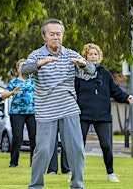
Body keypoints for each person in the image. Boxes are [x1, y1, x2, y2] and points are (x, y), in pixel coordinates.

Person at [21, 19, 95, 189]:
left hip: (69, 108)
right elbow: (25, 71)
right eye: (52, 34)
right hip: (46, 110)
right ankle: (36, 185)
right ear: (44, 37)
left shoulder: (70, 54)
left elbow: (91, 71)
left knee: (76, 149)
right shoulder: (36, 55)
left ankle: (77, 185)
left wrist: (84, 64)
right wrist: (40, 64)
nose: (56, 37)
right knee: (43, 151)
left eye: (58, 34)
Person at [75, 43, 133, 183]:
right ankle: (76, 174)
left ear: (99, 56)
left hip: (103, 115)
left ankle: (111, 173)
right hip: (83, 113)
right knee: (78, 145)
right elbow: (73, 92)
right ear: (85, 57)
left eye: (96, 54)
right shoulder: (79, 73)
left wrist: (126, 98)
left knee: (107, 145)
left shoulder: (106, 74)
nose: (94, 56)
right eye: (90, 54)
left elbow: (115, 91)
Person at [1, 59, 36, 168]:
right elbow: (3, 95)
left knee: (34, 137)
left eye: (26, 66)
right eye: (21, 66)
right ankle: (13, 162)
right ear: (18, 69)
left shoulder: (33, 81)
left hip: (32, 112)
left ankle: (34, 162)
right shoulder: (13, 82)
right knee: (17, 137)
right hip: (17, 112)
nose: (23, 68)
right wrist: (12, 92)